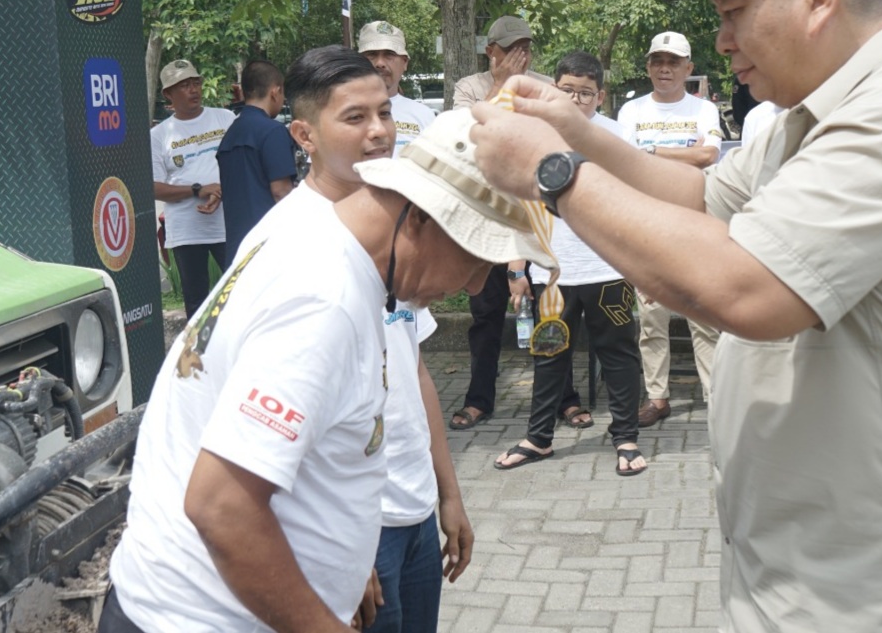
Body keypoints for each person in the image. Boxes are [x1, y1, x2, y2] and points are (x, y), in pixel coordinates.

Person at [469, 0, 882, 631]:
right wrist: (577, 133)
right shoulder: (806, 113)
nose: (723, 40)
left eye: (734, 11)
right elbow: (701, 199)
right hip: (824, 556)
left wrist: (555, 175)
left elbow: (746, 290)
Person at [102, 48, 553, 633]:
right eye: (477, 258)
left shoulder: (319, 237)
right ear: (418, 218)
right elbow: (222, 505)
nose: (473, 284)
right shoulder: (322, 298)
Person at [277, 44, 472, 632]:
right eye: (355, 118)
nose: (379, 132)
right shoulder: (293, 246)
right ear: (304, 135)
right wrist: (336, 545)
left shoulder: (396, 230)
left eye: (384, 113)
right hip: (351, 528)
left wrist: (449, 494)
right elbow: (283, 427)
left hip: (412, 509)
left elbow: (412, 371)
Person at [493, 52, 646, 476]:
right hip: (551, 273)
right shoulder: (532, 135)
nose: (576, 100)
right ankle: (539, 438)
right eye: (566, 91)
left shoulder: (615, 136)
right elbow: (517, 206)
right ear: (552, 89)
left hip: (609, 269)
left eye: (585, 93)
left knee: (618, 355)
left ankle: (626, 437)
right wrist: (516, 267)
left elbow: (635, 199)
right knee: (549, 355)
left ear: (600, 96)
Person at [449, 15, 576, 431]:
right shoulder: (469, 87)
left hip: (533, 211)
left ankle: (564, 399)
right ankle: (479, 399)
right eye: (511, 48)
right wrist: (501, 87)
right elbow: (466, 133)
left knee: (549, 306)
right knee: (486, 313)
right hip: (486, 213)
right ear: (491, 52)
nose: (522, 56)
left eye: (527, 46)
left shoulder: (544, 85)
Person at [616, 31, 723, 426]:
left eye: (674, 62)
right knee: (651, 319)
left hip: (697, 223)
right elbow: (624, 163)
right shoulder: (630, 112)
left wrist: (651, 152)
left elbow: (708, 154)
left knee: (705, 319)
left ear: (688, 69)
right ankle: (657, 398)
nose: (665, 69)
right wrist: (683, 155)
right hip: (648, 225)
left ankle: (716, 398)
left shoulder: (703, 110)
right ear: (648, 66)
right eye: (658, 61)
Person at [150, 59, 235, 320]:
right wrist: (198, 190)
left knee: (245, 290)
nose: (193, 90)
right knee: (197, 304)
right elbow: (154, 188)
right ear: (168, 94)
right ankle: (200, 357)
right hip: (187, 232)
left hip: (229, 224)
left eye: (195, 83)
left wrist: (221, 192)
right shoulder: (159, 135)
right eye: (184, 85)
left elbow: (242, 165)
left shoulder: (225, 118)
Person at [215, 60, 296, 266]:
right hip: (269, 245)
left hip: (238, 247)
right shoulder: (273, 131)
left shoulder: (231, 134)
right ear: (275, 92)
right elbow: (281, 192)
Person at [358, 20, 436, 156]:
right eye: (372, 55)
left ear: (405, 62)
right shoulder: (340, 112)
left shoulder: (424, 116)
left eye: (389, 55)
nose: (380, 63)